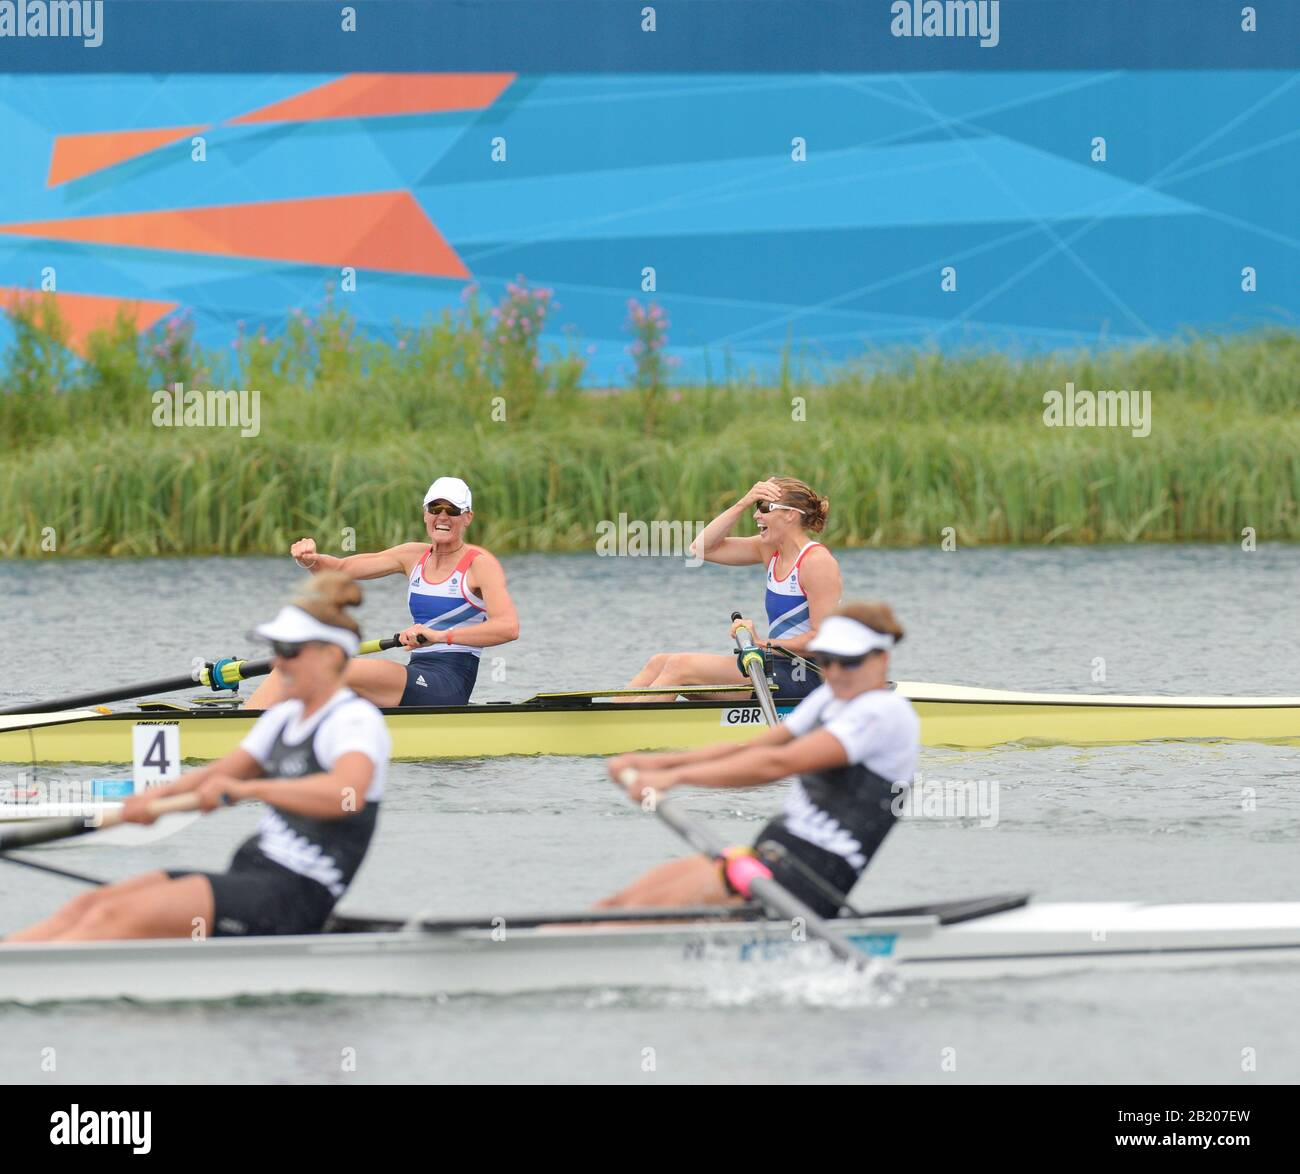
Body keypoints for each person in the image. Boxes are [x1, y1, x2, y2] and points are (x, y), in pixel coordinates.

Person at [6, 574, 390, 942]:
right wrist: (150, 800)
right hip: (252, 875)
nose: (278, 663)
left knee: (113, 918)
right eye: (275, 650)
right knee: (89, 905)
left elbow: (346, 793)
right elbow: (215, 775)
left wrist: (246, 789)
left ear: (330, 655)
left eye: (289, 651)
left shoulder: (353, 719)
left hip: (295, 895)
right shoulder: (285, 718)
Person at [600, 602, 918, 917]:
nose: (834, 672)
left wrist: (673, 780)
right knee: (615, 905)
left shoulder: (883, 713)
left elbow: (775, 764)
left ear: (882, 659)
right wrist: (655, 765)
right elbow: (752, 749)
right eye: (827, 660)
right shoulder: (828, 697)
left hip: (809, 881)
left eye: (848, 662)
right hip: (769, 855)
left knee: (633, 914)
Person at [246, 476, 519, 709]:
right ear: (425, 514)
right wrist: (310, 560)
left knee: (319, 667)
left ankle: (241, 738)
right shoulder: (412, 555)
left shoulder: (480, 564)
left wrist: (439, 636)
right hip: (418, 674)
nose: (442, 517)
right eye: (435, 508)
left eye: (453, 510)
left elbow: (508, 627)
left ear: (467, 517)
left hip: (447, 685)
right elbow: (341, 568)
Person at [621, 476, 841, 703]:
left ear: (790, 514)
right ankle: (608, 718)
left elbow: (822, 639)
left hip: (804, 674)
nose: (757, 515)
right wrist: (743, 503)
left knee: (679, 667)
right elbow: (701, 548)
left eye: (764, 507)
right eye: (756, 507)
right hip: (772, 664)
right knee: (659, 662)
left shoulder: (816, 562)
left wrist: (760, 643)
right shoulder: (769, 550)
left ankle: (626, 732)